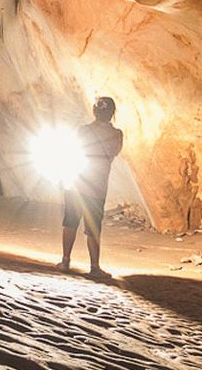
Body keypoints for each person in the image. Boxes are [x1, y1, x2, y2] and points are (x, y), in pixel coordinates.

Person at [56, 96, 123, 278]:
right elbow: (114, 152)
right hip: (97, 188)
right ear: (112, 113)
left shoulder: (82, 131)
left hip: (76, 183)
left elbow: (72, 151)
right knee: (93, 228)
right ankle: (94, 267)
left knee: (70, 222)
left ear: (95, 112)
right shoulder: (117, 135)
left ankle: (65, 260)